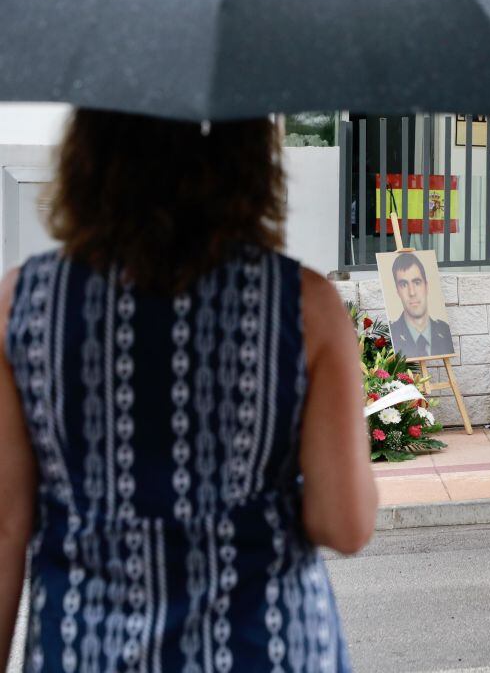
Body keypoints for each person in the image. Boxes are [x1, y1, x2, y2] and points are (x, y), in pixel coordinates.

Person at [0, 110, 378, 671]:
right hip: (265, 648)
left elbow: (7, 521)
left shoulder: (22, 302)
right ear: (248, 159)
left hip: (85, 648)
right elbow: (344, 524)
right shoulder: (304, 305)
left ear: (91, 153)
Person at [388, 252, 453, 358]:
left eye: (417, 282)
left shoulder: (444, 331)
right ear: (397, 291)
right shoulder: (392, 334)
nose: (412, 292)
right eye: (404, 284)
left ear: (426, 286)